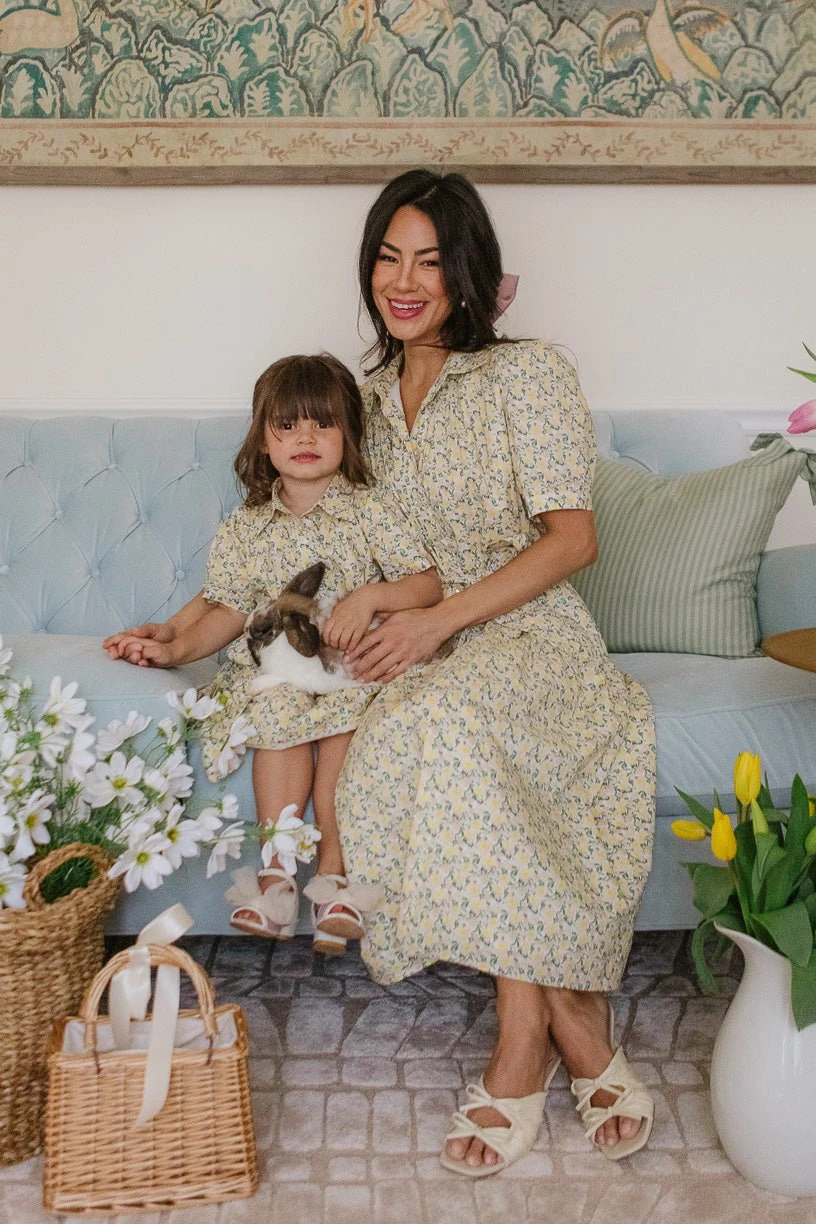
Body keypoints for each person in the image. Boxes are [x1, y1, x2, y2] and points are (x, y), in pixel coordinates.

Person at [105, 171, 657, 1176]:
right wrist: (189, 633)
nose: (404, 281)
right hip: (399, 649)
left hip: (522, 633)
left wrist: (435, 617)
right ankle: (570, 1011)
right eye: (388, 258)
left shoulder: (528, 373)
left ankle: (528, 1037)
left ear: (468, 272)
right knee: (405, 720)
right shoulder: (351, 402)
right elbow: (297, 546)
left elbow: (572, 540)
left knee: (446, 719)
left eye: (430, 261)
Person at [106, 352, 441, 955]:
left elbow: (427, 583)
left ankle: (334, 879)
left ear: (349, 434)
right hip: (279, 673)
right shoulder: (248, 526)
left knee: (349, 727)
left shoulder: (372, 510)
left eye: (322, 423)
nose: (305, 438)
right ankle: (276, 879)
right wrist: (173, 647)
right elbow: (227, 611)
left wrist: (370, 597)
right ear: (264, 440)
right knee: (276, 716)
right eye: (287, 426)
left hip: (351, 667)